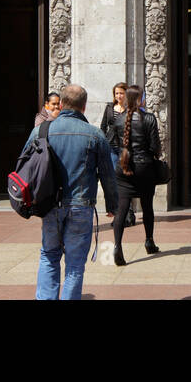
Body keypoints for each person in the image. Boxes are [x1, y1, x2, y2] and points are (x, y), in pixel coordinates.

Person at [29, 84, 117, 300]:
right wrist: (112, 205)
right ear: (84, 106)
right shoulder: (95, 135)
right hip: (81, 204)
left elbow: (24, 164)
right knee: (75, 264)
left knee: (49, 255)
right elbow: (108, 174)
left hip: (50, 204)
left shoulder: (42, 130)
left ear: (62, 103)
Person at [109, 85, 162, 265]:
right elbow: (155, 147)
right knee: (147, 206)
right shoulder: (149, 118)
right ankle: (149, 240)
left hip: (123, 167)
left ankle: (117, 245)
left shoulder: (119, 120)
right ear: (140, 99)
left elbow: (116, 143)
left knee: (122, 208)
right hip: (145, 167)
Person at [100, 82, 136, 228]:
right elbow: (103, 126)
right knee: (114, 181)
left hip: (125, 149)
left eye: (121, 93)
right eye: (116, 93)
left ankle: (129, 213)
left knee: (125, 181)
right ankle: (119, 215)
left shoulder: (130, 109)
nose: (119, 96)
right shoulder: (109, 108)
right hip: (111, 147)